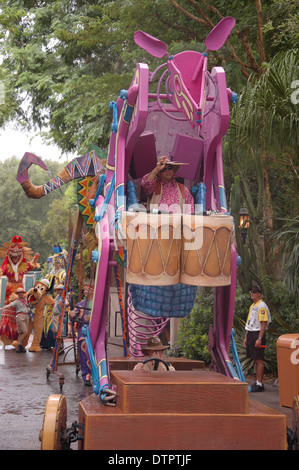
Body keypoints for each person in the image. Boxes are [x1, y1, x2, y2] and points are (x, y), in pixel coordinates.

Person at [244, 285, 271, 392]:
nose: (252, 293)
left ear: (259, 294)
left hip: (257, 334)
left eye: (254, 292)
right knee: (255, 359)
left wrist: (259, 338)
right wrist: (246, 336)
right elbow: (249, 322)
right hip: (251, 333)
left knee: (259, 359)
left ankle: (260, 383)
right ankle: (257, 381)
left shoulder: (262, 306)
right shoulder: (253, 305)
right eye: (251, 291)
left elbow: (263, 323)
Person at [69, 283, 93, 386]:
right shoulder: (80, 304)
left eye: (87, 290)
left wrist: (92, 318)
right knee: (84, 352)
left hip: (96, 332)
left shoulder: (98, 303)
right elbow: (74, 316)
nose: (85, 292)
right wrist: (72, 314)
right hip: (84, 331)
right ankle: (86, 375)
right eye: (84, 290)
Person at [4, 287, 30, 353]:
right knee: (25, 332)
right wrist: (2, 308)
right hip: (20, 316)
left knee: (22, 333)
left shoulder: (26, 300)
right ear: (17, 294)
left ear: (23, 293)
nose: (20, 294)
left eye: (21, 292)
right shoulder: (16, 301)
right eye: (19, 293)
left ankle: (20, 347)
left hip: (26, 316)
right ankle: (19, 345)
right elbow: (10, 305)